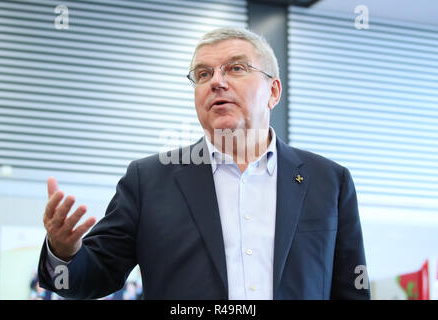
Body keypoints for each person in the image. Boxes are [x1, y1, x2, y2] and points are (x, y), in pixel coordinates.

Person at [38, 27, 370, 300]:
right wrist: (62, 253)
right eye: (203, 73)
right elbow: (91, 278)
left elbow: (352, 290)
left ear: (273, 91)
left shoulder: (328, 181)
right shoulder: (149, 180)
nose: (216, 82)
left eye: (236, 68)